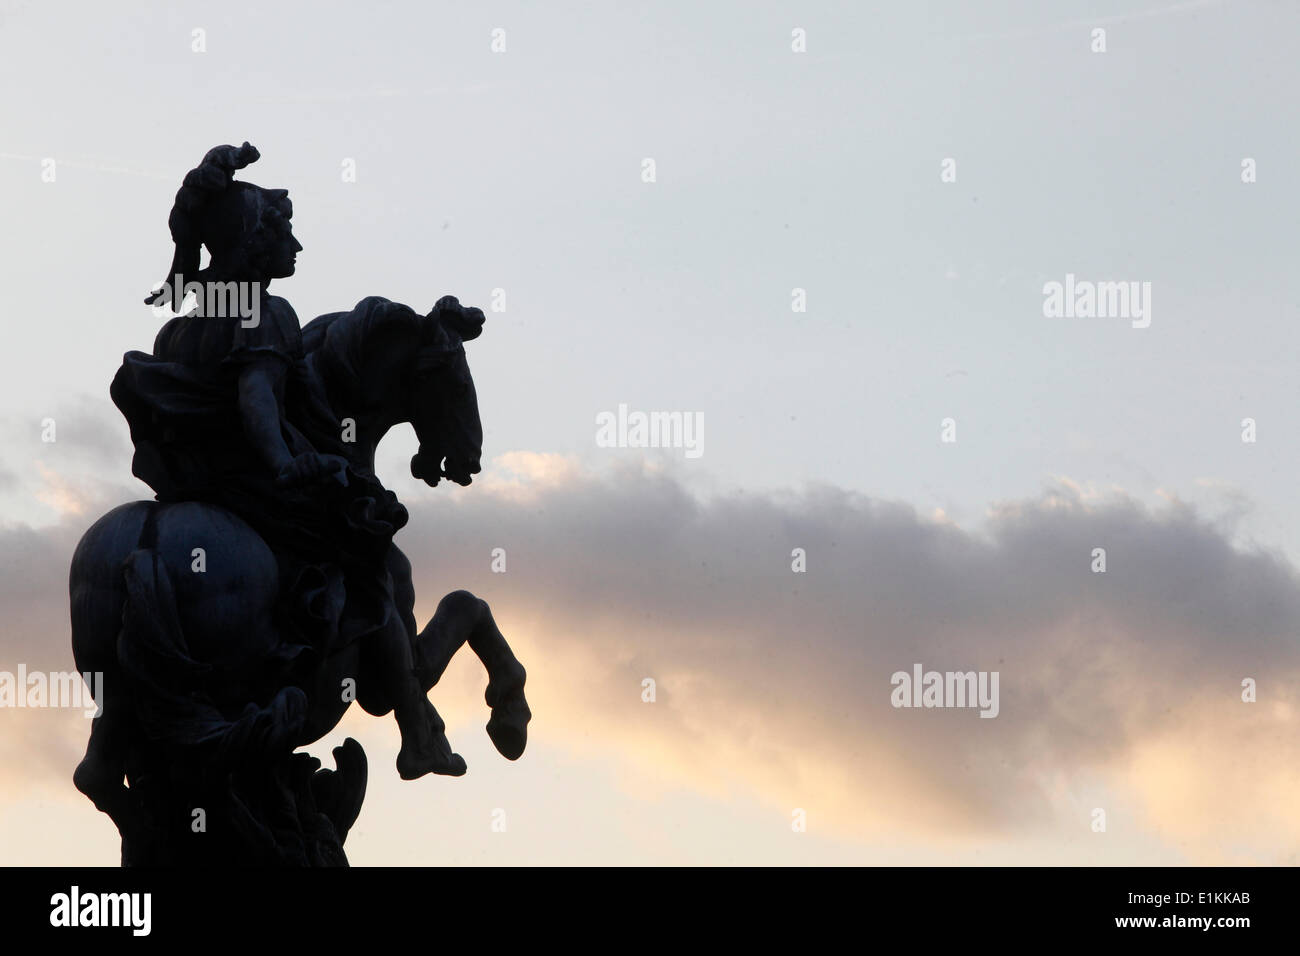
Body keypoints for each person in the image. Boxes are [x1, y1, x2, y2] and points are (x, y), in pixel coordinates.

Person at [111, 143, 464, 778]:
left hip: (200, 486)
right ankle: (418, 730)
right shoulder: (268, 313)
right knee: (369, 552)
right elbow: (255, 399)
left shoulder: (187, 321)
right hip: (252, 483)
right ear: (253, 243)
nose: (296, 246)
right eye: (285, 232)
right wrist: (283, 463)